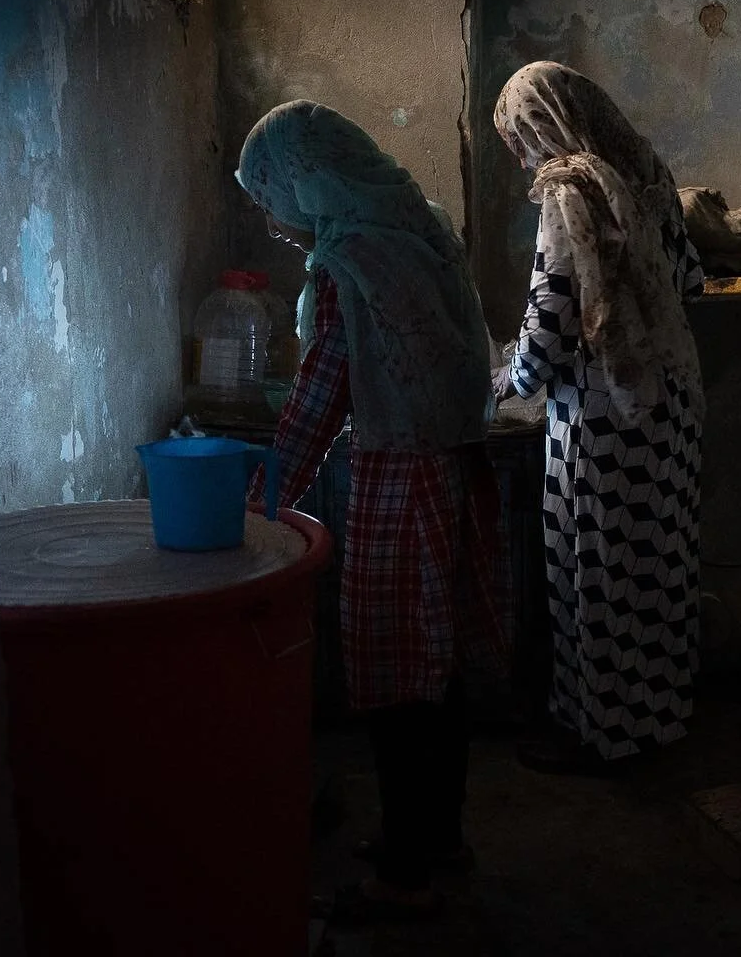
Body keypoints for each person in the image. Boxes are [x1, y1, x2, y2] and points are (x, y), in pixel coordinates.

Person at [236, 100, 510, 917]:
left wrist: (261, 502)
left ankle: (404, 873)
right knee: (438, 671)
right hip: (454, 468)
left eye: (272, 194)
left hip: (400, 479)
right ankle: (440, 839)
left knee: (396, 683)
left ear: (309, 180)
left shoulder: (349, 261)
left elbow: (322, 390)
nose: (273, 216)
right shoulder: (415, 225)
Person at [492, 61, 705, 774]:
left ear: (543, 123)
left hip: (602, 418)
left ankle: (602, 738)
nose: (523, 157)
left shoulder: (569, 190)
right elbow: (693, 282)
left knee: (597, 576)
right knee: (659, 569)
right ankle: (659, 723)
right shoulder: (647, 172)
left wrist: (506, 378)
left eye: (519, 138)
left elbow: (552, 317)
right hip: (669, 405)